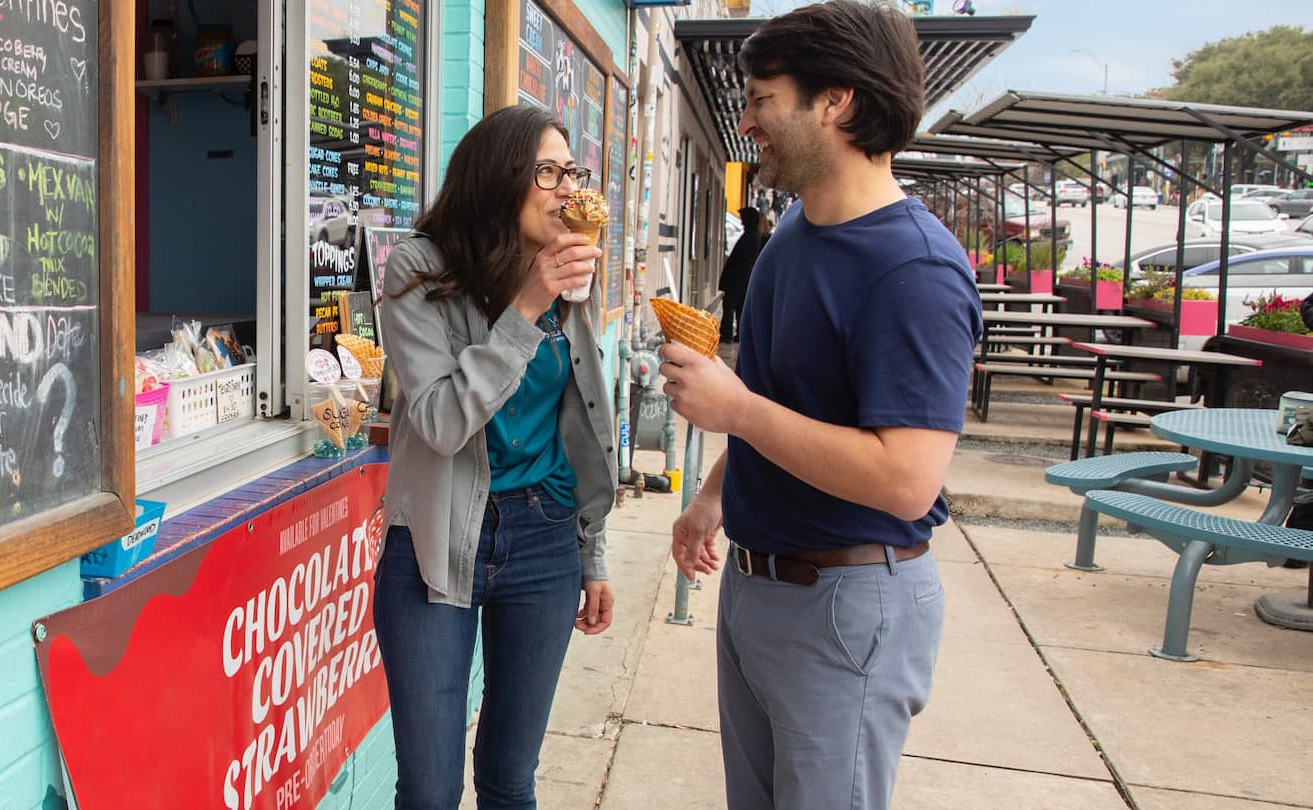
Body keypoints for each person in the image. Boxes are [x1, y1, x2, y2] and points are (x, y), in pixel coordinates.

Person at [656, 2, 982, 808]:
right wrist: (711, 499)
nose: (747, 121)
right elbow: (784, 399)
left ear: (834, 101)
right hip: (758, 588)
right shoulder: (792, 238)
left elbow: (907, 479)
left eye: (763, 98)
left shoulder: (915, 271)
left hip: (848, 607)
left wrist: (735, 412)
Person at [373, 104, 619, 809]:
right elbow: (442, 422)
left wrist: (592, 551)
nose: (568, 189)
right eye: (548, 171)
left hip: (545, 537)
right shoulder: (418, 271)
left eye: (572, 171)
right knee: (429, 791)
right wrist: (527, 304)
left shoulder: (572, 275)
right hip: (435, 541)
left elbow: (583, 423)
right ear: (498, 176)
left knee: (511, 778)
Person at [719, 206, 766, 343]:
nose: (741, 222)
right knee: (738, 307)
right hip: (743, 278)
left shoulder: (750, 237)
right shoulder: (752, 236)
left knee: (730, 306)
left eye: (744, 219)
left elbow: (739, 259)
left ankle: (727, 334)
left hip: (738, 279)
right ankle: (737, 334)